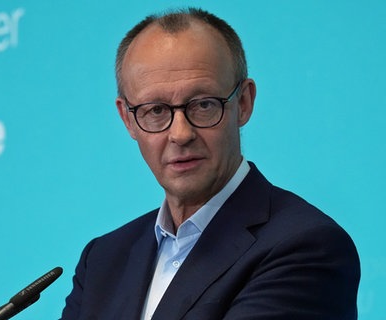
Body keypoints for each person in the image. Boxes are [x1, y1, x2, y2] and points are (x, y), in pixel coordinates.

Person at [61, 7, 360, 320]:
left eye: (203, 105)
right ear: (127, 119)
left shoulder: (306, 245)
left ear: (243, 103)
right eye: (156, 111)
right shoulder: (103, 260)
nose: (180, 134)